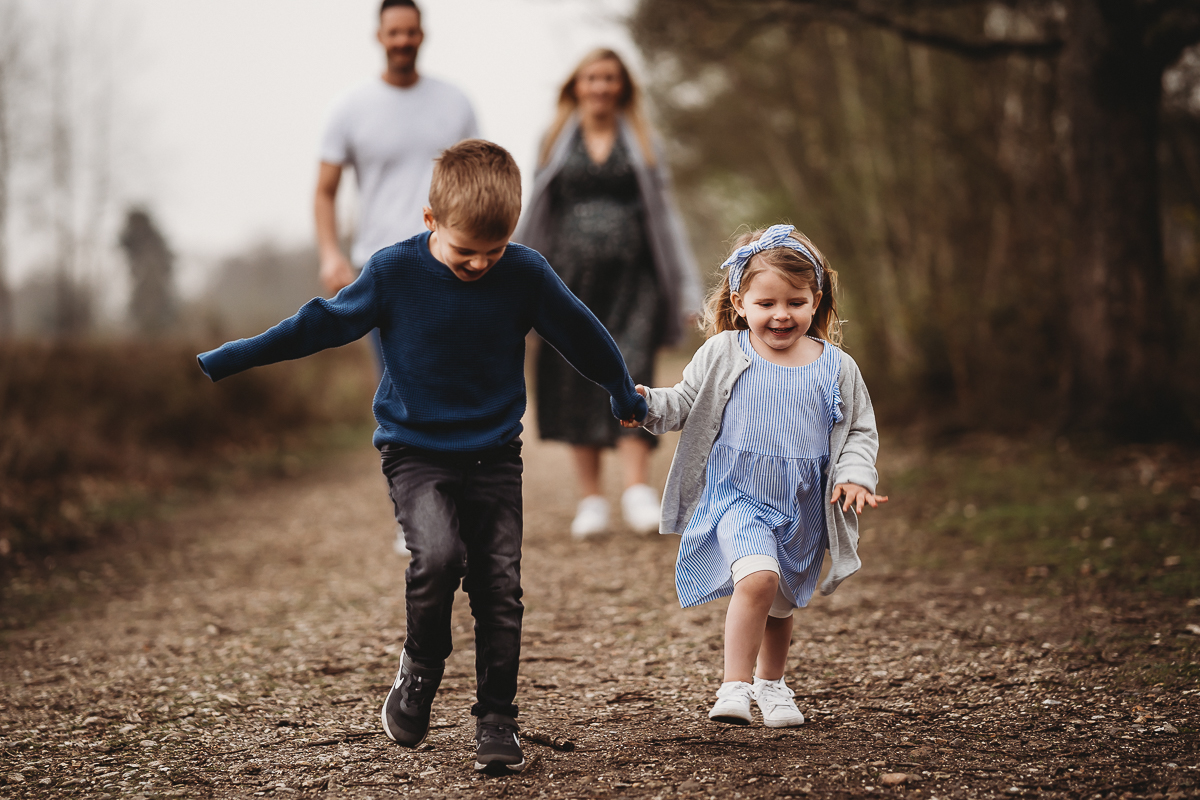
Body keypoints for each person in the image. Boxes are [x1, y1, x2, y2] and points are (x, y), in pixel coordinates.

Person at [198, 140, 647, 774]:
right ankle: (421, 668)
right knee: (437, 557)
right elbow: (320, 322)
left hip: (494, 452)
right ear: (430, 220)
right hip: (416, 452)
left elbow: (579, 330)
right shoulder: (392, 271)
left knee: (499, 588)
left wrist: (621, 389)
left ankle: (496, 719)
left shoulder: (524, 272)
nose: (481, 264)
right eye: (467, 252)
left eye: (494, 251)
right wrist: (234, 356)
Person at [621, 224, 887, 727]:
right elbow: (682, 403)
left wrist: (855, 476)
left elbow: (858, 431)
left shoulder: (836, 367)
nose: (781, 314)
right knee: (759, 578)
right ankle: (734, 686)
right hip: (737, 495)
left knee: (781, 603)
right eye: (766, 303)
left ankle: (772, 684)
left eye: (795, 301)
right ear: (741, 303)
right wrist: (645, 405)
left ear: (817, 302)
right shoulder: (724, 353)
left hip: (803, 505)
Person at [515, 48, 702, 539]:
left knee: (631, 366)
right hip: (568, 280)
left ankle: (637, 488)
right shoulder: (554, 138)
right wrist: (510, 283)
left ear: (622, 87)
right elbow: (538, 211)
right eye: (591, 78)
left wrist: (684, 288)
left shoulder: (642, 139)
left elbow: (666, 218)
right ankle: (591, 500)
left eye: (610, 79)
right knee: (574, 376)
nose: (600, 87)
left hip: (635, 281)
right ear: (575, 86)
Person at [315, 0, 477, 557]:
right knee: (400, 388)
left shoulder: (454, 103)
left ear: (422, 34)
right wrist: (331, 253)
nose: (403, 39)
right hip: (381, 268)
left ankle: (459, 498)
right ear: (379, 35)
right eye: (394, 31)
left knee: (457, 378)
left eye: (411, 31)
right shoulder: (351, 108)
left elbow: (479, 173)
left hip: (452, 261)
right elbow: (326, 189)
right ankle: (415, 512)